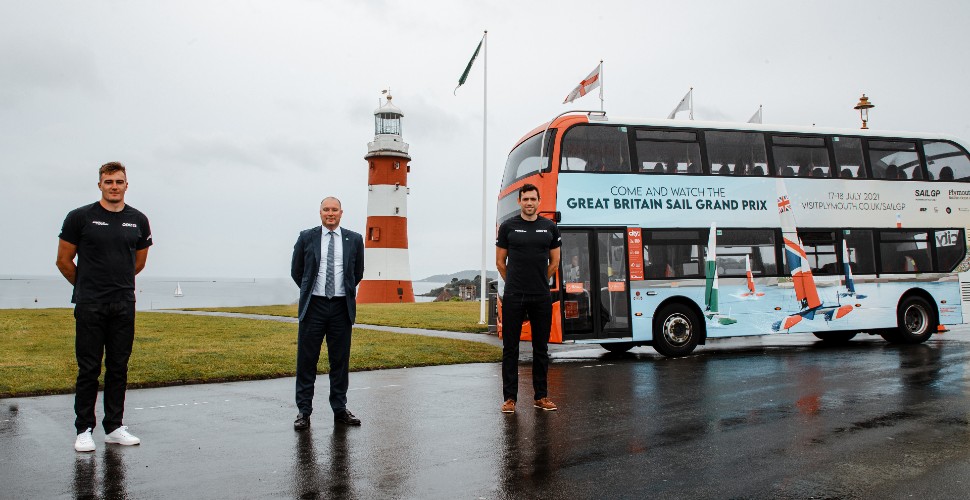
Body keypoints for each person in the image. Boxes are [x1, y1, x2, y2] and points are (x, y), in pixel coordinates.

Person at [56, 162, 152, 452]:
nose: (114, 186)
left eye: (119, 181)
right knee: (88, 368)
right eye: (108, 181)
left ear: (126, 185)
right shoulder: (80, 217)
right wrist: (86, 286)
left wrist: (117, 282)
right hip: (90, 304)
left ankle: (114, 427)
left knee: (118, 367)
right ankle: (84, 429)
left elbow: (138, 262)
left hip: (123, 303)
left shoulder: (138, 220)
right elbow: (63, 261)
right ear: (100, 184)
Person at [290, 197, 365, 430]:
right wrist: (311, 291)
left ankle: (340, 409)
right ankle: (304, 412)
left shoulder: (354, 239)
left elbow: (357, 272)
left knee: (340, 362)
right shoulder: (307, 237)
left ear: (341, 213)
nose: (330, 213)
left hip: (341, 307)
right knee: (307, 361)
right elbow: (297, 271)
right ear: (320, 212)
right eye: (326, 210)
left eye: (334, 210)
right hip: (314, 306)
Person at [496, 184, 562, 413]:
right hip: (514, 295)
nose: (529, 203)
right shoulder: (508, 227)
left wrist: (539, 281)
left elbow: (554, 263)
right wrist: (514, 282)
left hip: (541, 296)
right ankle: (510, 399)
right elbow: (500, 263)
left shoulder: (549, 228)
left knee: (540, 348)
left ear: (539, 201)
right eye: (525, 199)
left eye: (533, 199)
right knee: (510, 348)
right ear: (519, 201)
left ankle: (541, 396)